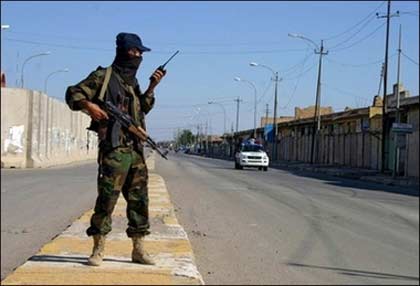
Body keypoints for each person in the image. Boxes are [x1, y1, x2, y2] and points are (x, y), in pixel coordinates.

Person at [65, 32, 166, 266]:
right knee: (107, 201)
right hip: (114, 151)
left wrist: (151, 87)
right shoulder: (103, 76)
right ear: (123, 52)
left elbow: (141, 111)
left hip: (136, 151)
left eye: (141, 53)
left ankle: (138, 249)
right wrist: (89, 106)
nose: (139, 56)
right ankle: (98, 249)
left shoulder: (133, 84)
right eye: (135, 52)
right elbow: (73, 93)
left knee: (139, 201)